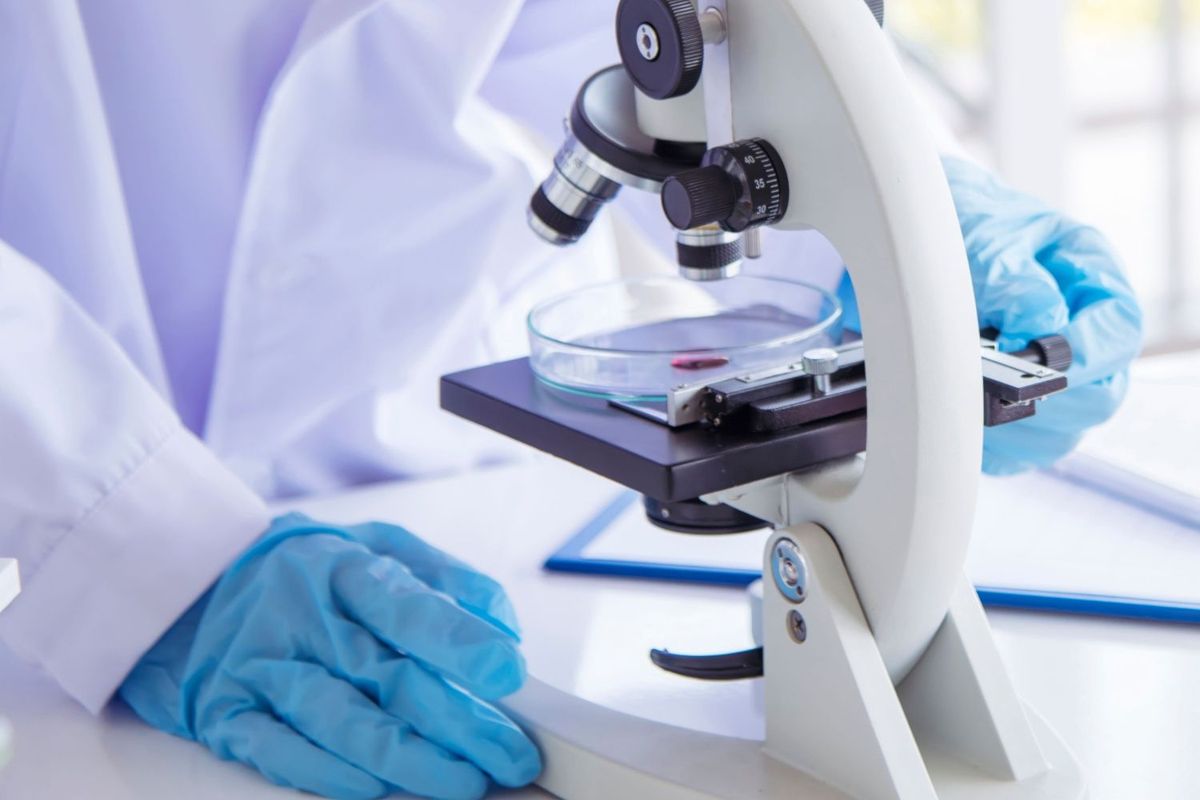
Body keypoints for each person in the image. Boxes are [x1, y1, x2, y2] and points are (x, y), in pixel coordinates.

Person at [0, 2, 1140, 799]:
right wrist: (136, 540)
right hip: (53, 499)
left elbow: (614, 45)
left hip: (481, 506)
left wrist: (899, 229)